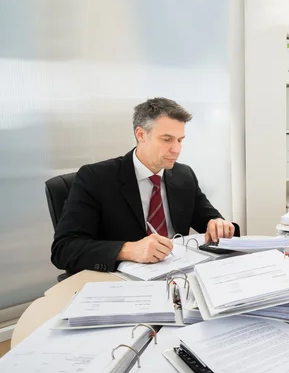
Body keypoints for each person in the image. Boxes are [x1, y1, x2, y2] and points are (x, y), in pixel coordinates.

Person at [51, 97, 234, 274]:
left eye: (180, 140)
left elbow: (210, 220)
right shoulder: (95, 178)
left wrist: (217, 224)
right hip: (121, 285)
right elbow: (63, 249)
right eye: (167, 139)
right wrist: (128, 250)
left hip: (177, 276)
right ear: (140, 135)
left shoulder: (183, 175)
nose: (176, 149)